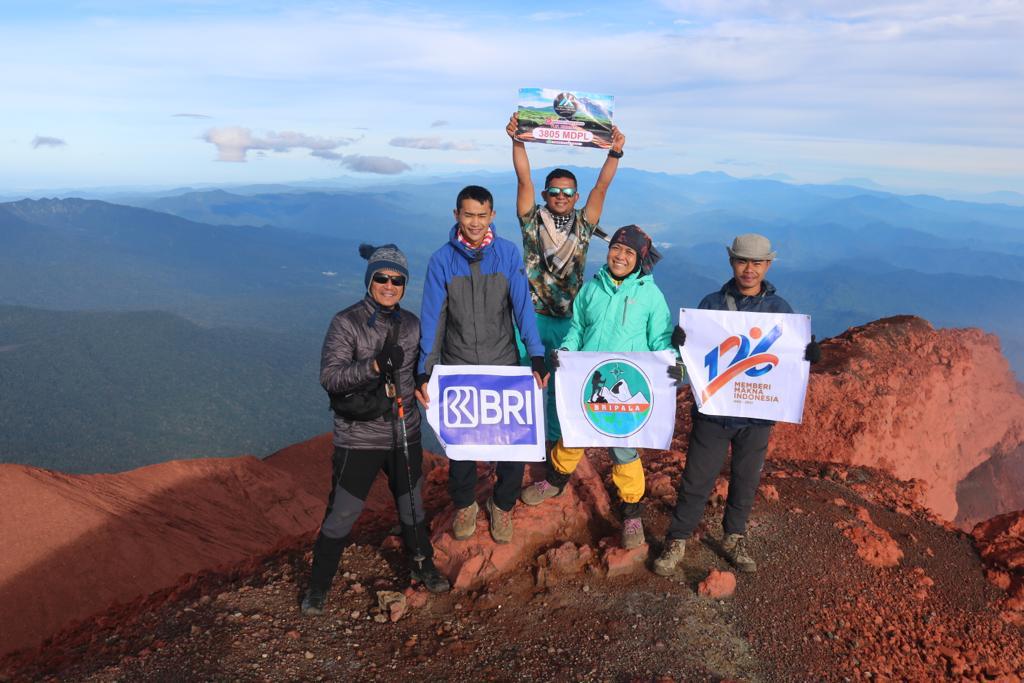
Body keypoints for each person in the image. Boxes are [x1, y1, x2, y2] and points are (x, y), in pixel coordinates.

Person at [653, 233, 822, 576]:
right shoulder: (711, 305)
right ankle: (678, 538)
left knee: (746, 479)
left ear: (768, 266)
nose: (749, 270)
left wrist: (809, 356)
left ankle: (734, 536)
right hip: (715, 412)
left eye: (757, 263)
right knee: (696, 479)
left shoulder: (779, 311)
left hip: (757, 416)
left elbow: (789, 364)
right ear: (732, 262)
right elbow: (689, 367)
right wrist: (680, 348)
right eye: (743, 261)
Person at [301, 243, 450, 617]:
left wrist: (422, 376)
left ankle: (423, 566)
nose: (389, 285)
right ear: (370, 280)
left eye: (397, 280)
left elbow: (425, 364)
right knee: (343, 513)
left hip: (405, 430)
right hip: (359, 436)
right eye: (381, 277)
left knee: (412, 506)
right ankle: (318, 586)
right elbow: (330, 378)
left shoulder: (412, 324)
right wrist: (373, 366)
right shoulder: (346, 322)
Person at [519, 225, 677, 549]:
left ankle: (632, 512)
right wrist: (566, 350)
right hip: (590, 379)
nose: (620, 256)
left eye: (628, 252)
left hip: (625, 384)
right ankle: (555, 479)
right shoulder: (592, 289)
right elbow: (578, 328)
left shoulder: (650, 296)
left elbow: (660, 339)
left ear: (640, 259)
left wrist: (674, 359)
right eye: (616, 248)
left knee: (623, 448)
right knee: (575, 433)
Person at [417, 185, 549, 544]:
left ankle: (502, 505)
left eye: (481, 214)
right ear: (456, 215)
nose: (474, 222)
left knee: (512, 442)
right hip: (459, 365)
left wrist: (535, 354)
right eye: (468, 214)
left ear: (492, 215)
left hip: (503, 363)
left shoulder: (506, 254)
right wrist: (425, 368)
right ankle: (464, 505)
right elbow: (433, 318)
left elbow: (522, 307)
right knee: (462, 443)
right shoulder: (441, 260)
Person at [506, 112, 626, 442]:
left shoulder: (584, 224)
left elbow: (602, 186)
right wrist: (518, 139)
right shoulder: (532, 220)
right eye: (555, 191)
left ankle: (555, 445)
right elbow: (523, 180)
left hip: (567, 321)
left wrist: (614, 152)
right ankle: (523, 443)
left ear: (575, 196)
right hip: (529, 319)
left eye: (567, 191)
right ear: (546, 195)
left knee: (560, 387)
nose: (560, 196)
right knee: (525, 387)